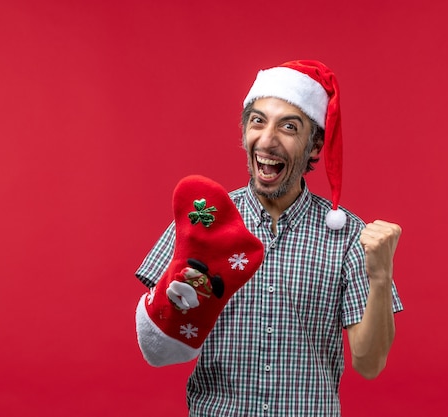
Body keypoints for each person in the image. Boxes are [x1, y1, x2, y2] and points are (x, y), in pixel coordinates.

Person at [135, 60, 403, 416]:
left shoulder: (350, 235)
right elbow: (156, 339)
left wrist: (381, 277)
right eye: (257, 121)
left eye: (288, 127)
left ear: (314, 144)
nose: (267, 139)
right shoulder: (204, 215)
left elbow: (369, 364)